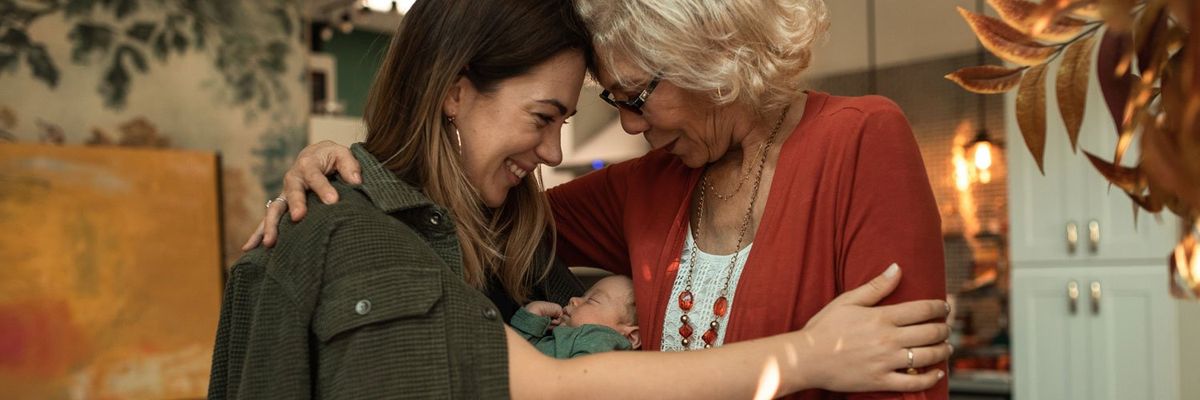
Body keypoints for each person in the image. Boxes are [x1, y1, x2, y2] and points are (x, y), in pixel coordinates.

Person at [231, 0, 954, 398]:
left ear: (714, 56)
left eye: (635, 98)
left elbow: (904, 372)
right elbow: (450, 209)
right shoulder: (651, 186)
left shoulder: (861, 140)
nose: (631, 128)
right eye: (612, 104)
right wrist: (341, 169)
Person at [514, 275, 640, 358]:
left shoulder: (601, 340)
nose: (573, 299)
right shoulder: (563, 339)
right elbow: (516, 355)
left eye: (591, 300)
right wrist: (531, 319)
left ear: (631, 337)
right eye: (583, 296)